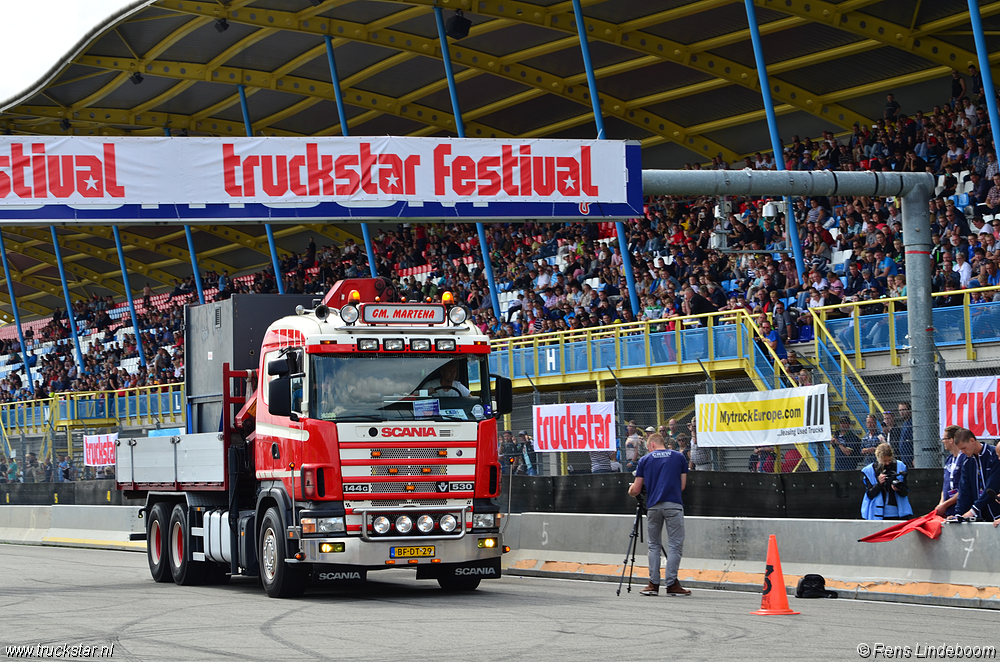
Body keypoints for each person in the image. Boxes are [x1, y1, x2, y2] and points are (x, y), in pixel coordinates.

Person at [628, 433, 690, 597]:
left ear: (652, 445)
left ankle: (653, 584)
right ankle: (672, 584)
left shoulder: (645, 460)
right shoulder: (679, 457)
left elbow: (636, 489)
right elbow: (682, 485)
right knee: (675, 545)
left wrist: (630, 490)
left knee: (653, 545)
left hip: (654, 506)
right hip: (674, 505)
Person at [954, 428, 1000, 522]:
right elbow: (964, 489)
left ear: (972, 441)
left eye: (964, 448)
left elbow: (992, 485)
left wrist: (974, 509)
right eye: (960, 449)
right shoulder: (966, 461)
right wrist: (959, 514)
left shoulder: (994, 455)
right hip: (980, 515)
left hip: (996, 513)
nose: (962, 452)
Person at [861, 443, 912, 521]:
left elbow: (905, 492)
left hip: (898, 513)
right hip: (877, 513)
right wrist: (879, 484)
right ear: (878, 458)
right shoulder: (869, 470)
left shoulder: (900, 466)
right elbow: (869, 495)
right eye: (884, 461)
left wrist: (898, 488)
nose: (887, 463)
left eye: (889, 460)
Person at [935, 425, 965, 517]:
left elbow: (964, 488)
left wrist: (945, 504)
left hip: (960, 508)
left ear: (951, 440)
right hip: (947, 509)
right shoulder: (949, 459)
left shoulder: (964, 458)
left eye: (944, 438)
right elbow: (945, 484)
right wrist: (941, 504)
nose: (943, 441)